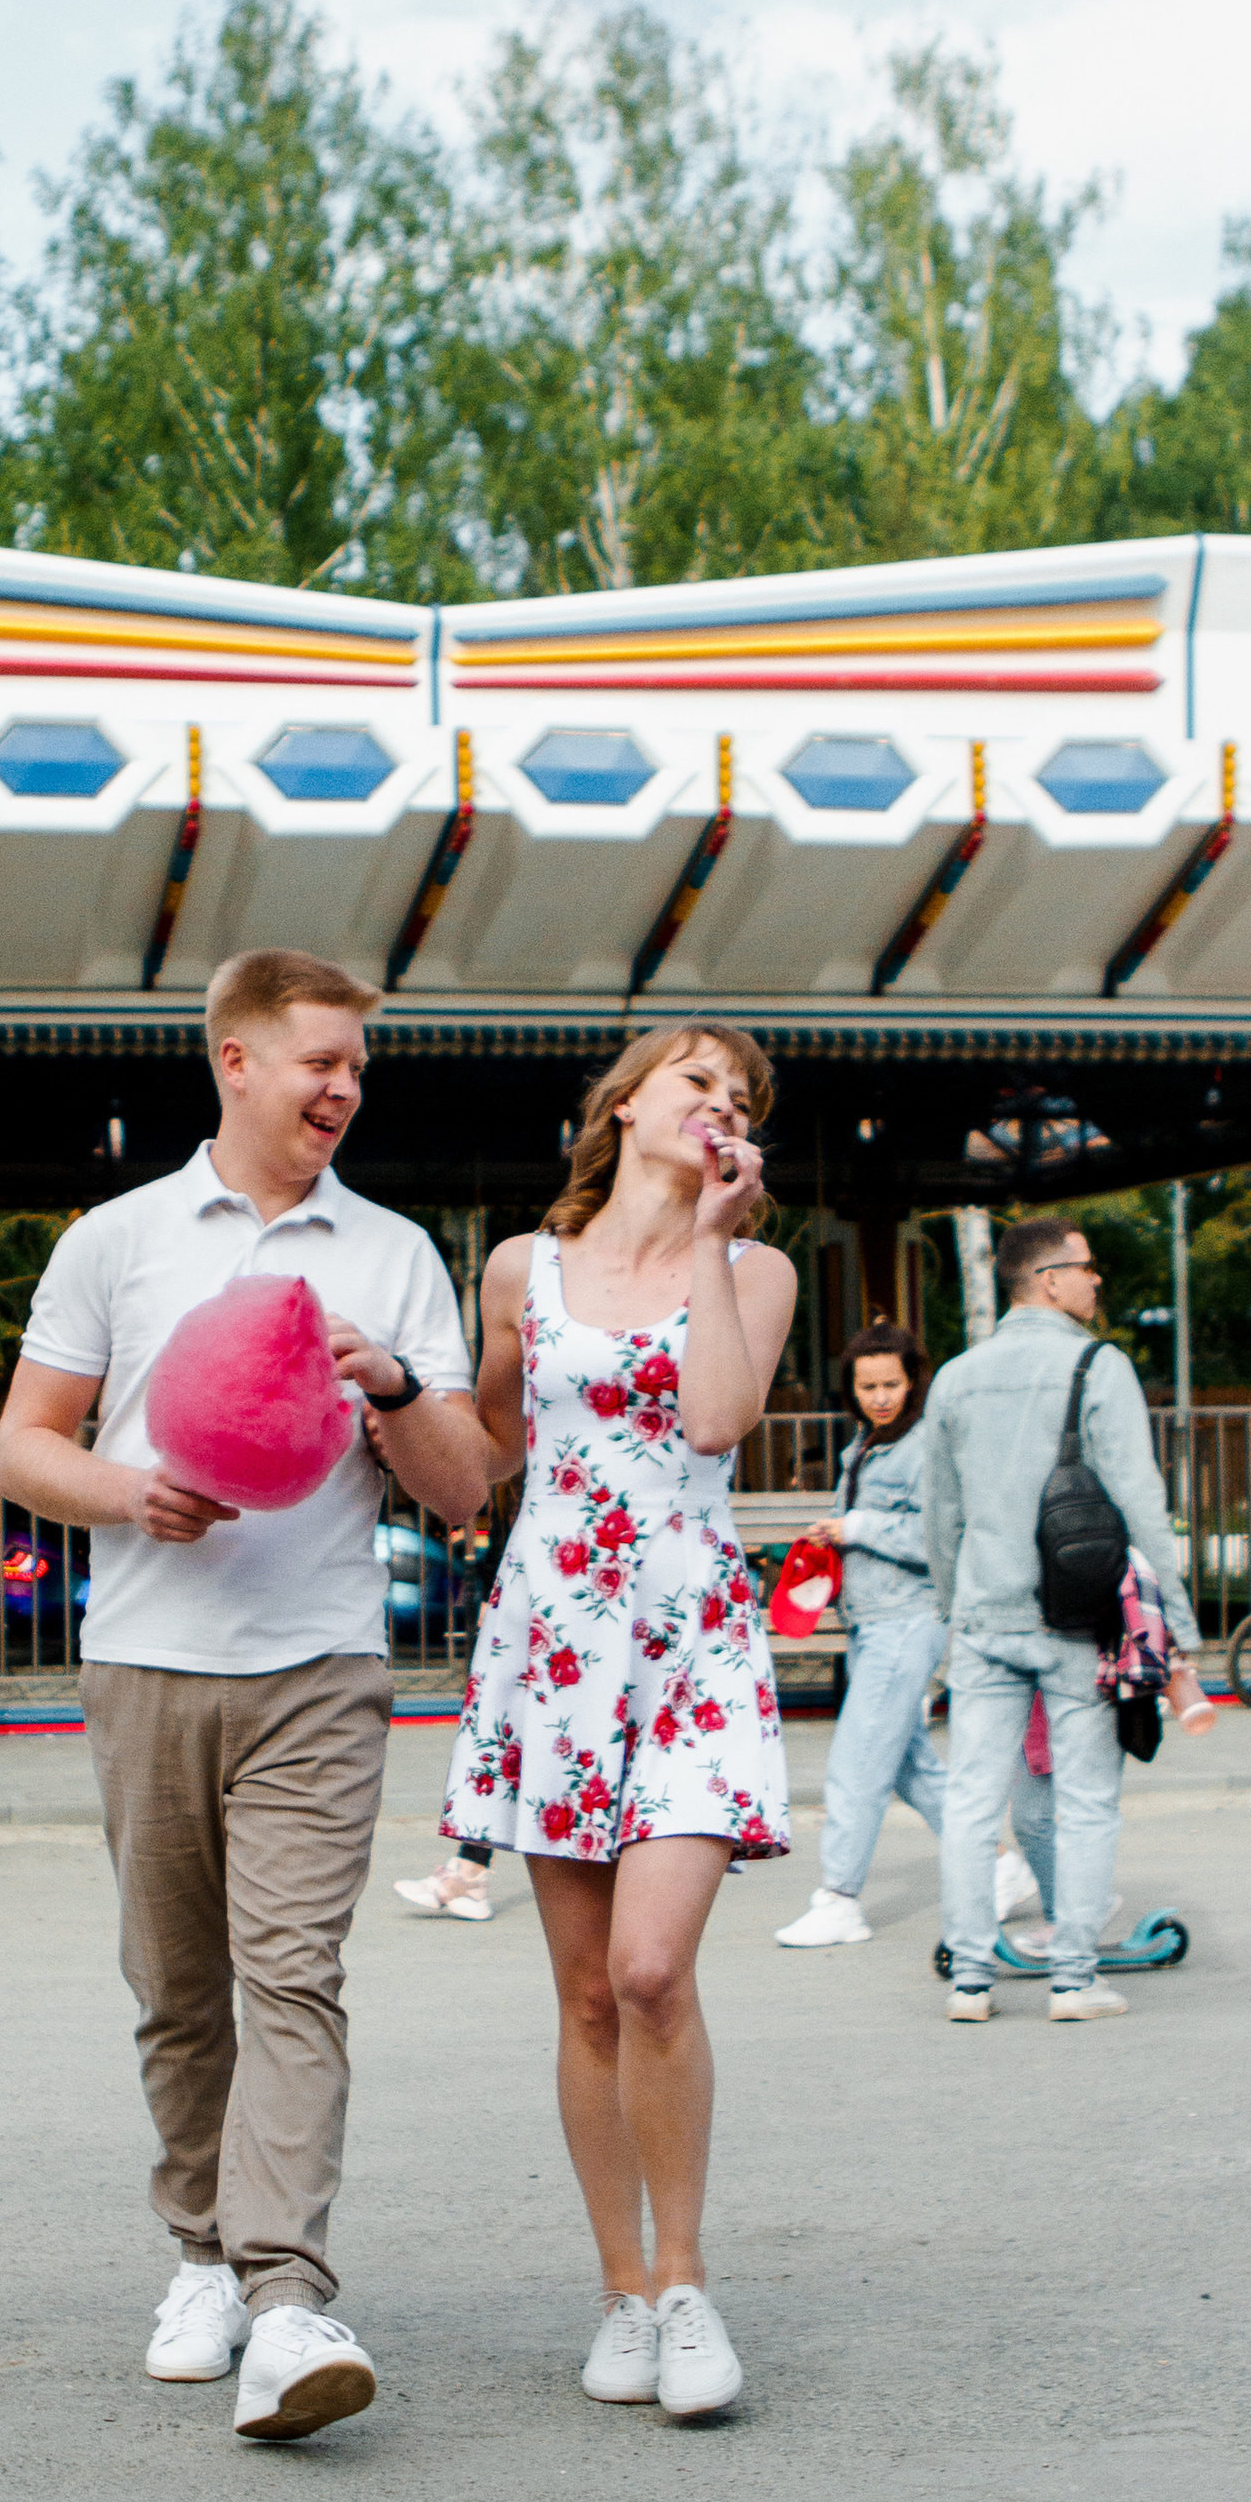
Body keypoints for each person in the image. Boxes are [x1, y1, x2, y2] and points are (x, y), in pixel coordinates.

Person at [0, 949, 486, 2442]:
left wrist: (394, 1385)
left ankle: (286, 2297)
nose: (342, 1088)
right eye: (319, 1060)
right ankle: (199, 2251)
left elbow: (466, 1491)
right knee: (177, 1990)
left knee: (294, 1978)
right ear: (236, 1061)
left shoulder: (393, 1253)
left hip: (319, 1674)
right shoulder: (120, 1239)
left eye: (357, 1068)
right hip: (146, 1662)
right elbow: (23, 1448)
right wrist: (130, 1495)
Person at [439, 1022, 794, 2420]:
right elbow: (490, 1445)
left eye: (741, 1095)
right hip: (555, 1640)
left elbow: (714, 1421)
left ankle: (689, 2279)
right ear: (626, 1103)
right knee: (585, 1994)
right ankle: (621, 2292)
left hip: (692, 1637)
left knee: (653, 1972)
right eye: (696, 1080)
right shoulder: (525, 1267)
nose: (719, 1103)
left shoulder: (753, 1269)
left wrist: (710, 1240)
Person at [922, 1216, 1211, 2024]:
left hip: (984, 1621)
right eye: (1088, 1269)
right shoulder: (1100, 1366)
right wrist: (1176, 1631)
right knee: (1085, 1800)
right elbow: (1141, 1506)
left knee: (974, 1800)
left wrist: (958, 1609)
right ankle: (1074, 1979)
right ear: (1048, 1279)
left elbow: (938, 1517)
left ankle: (971, 1979)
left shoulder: (956, 1377)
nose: (1096, 1283)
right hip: (1078, 1622)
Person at [772, 1321, 953, 1950]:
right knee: (911, 1768)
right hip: (874, 1624)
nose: (880, 1396)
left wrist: (856, 1528)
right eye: (868, 1385)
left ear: (913, 1382)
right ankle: (1001, 1870)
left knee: (854, 1765)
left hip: (906, 1621)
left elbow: (939, 1540)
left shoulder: (925, 1445)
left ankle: (840, 1900)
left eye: (892, 1384)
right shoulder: (866, 1444)